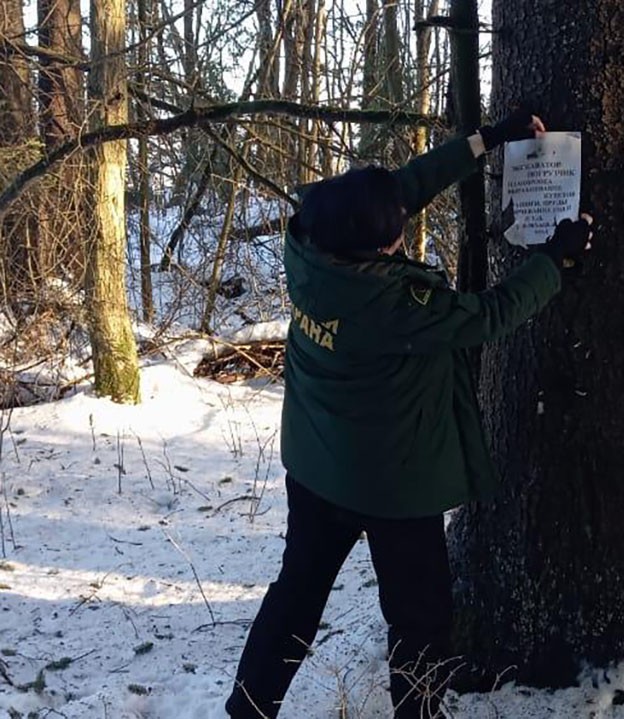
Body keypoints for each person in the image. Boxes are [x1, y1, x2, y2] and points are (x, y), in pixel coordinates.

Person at [225, 108, 594, 719]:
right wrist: (554, 260)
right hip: (393, 483)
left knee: (296, 597)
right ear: (381, 247)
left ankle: (248, 709)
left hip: (317, 465)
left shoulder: (310, 245)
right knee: (420, 616)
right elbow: (489, 315)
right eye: (396, 230)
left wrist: (482, 141)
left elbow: (395, 193)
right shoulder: (395, 305)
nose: (402, 224)